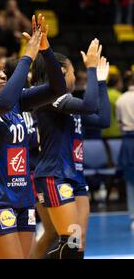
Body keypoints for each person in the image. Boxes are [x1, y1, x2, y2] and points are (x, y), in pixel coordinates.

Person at [0, 15, 66, 259]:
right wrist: (27, 56)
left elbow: (58, 89)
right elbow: (4, 103)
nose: (4, 75)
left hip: (22, 197)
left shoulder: (15, 101)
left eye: (4, 70)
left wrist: (46, 51)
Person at [31, 39, 110, 259]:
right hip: (55, 175)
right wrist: (92, 68)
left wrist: (101, 82)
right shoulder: (50, 96)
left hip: (75, 175)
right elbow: (90, 105)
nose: (75, 77)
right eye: (74, 72)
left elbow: (103, 120)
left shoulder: (67, 101)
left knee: (79, 239)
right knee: (69, 243)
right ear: (63, 71)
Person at [116, 73, 134, 231]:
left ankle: (133, 217)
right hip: (129, 138)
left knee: (130, 182)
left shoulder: (121, 99)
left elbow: (119, 121)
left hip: (127, 141)